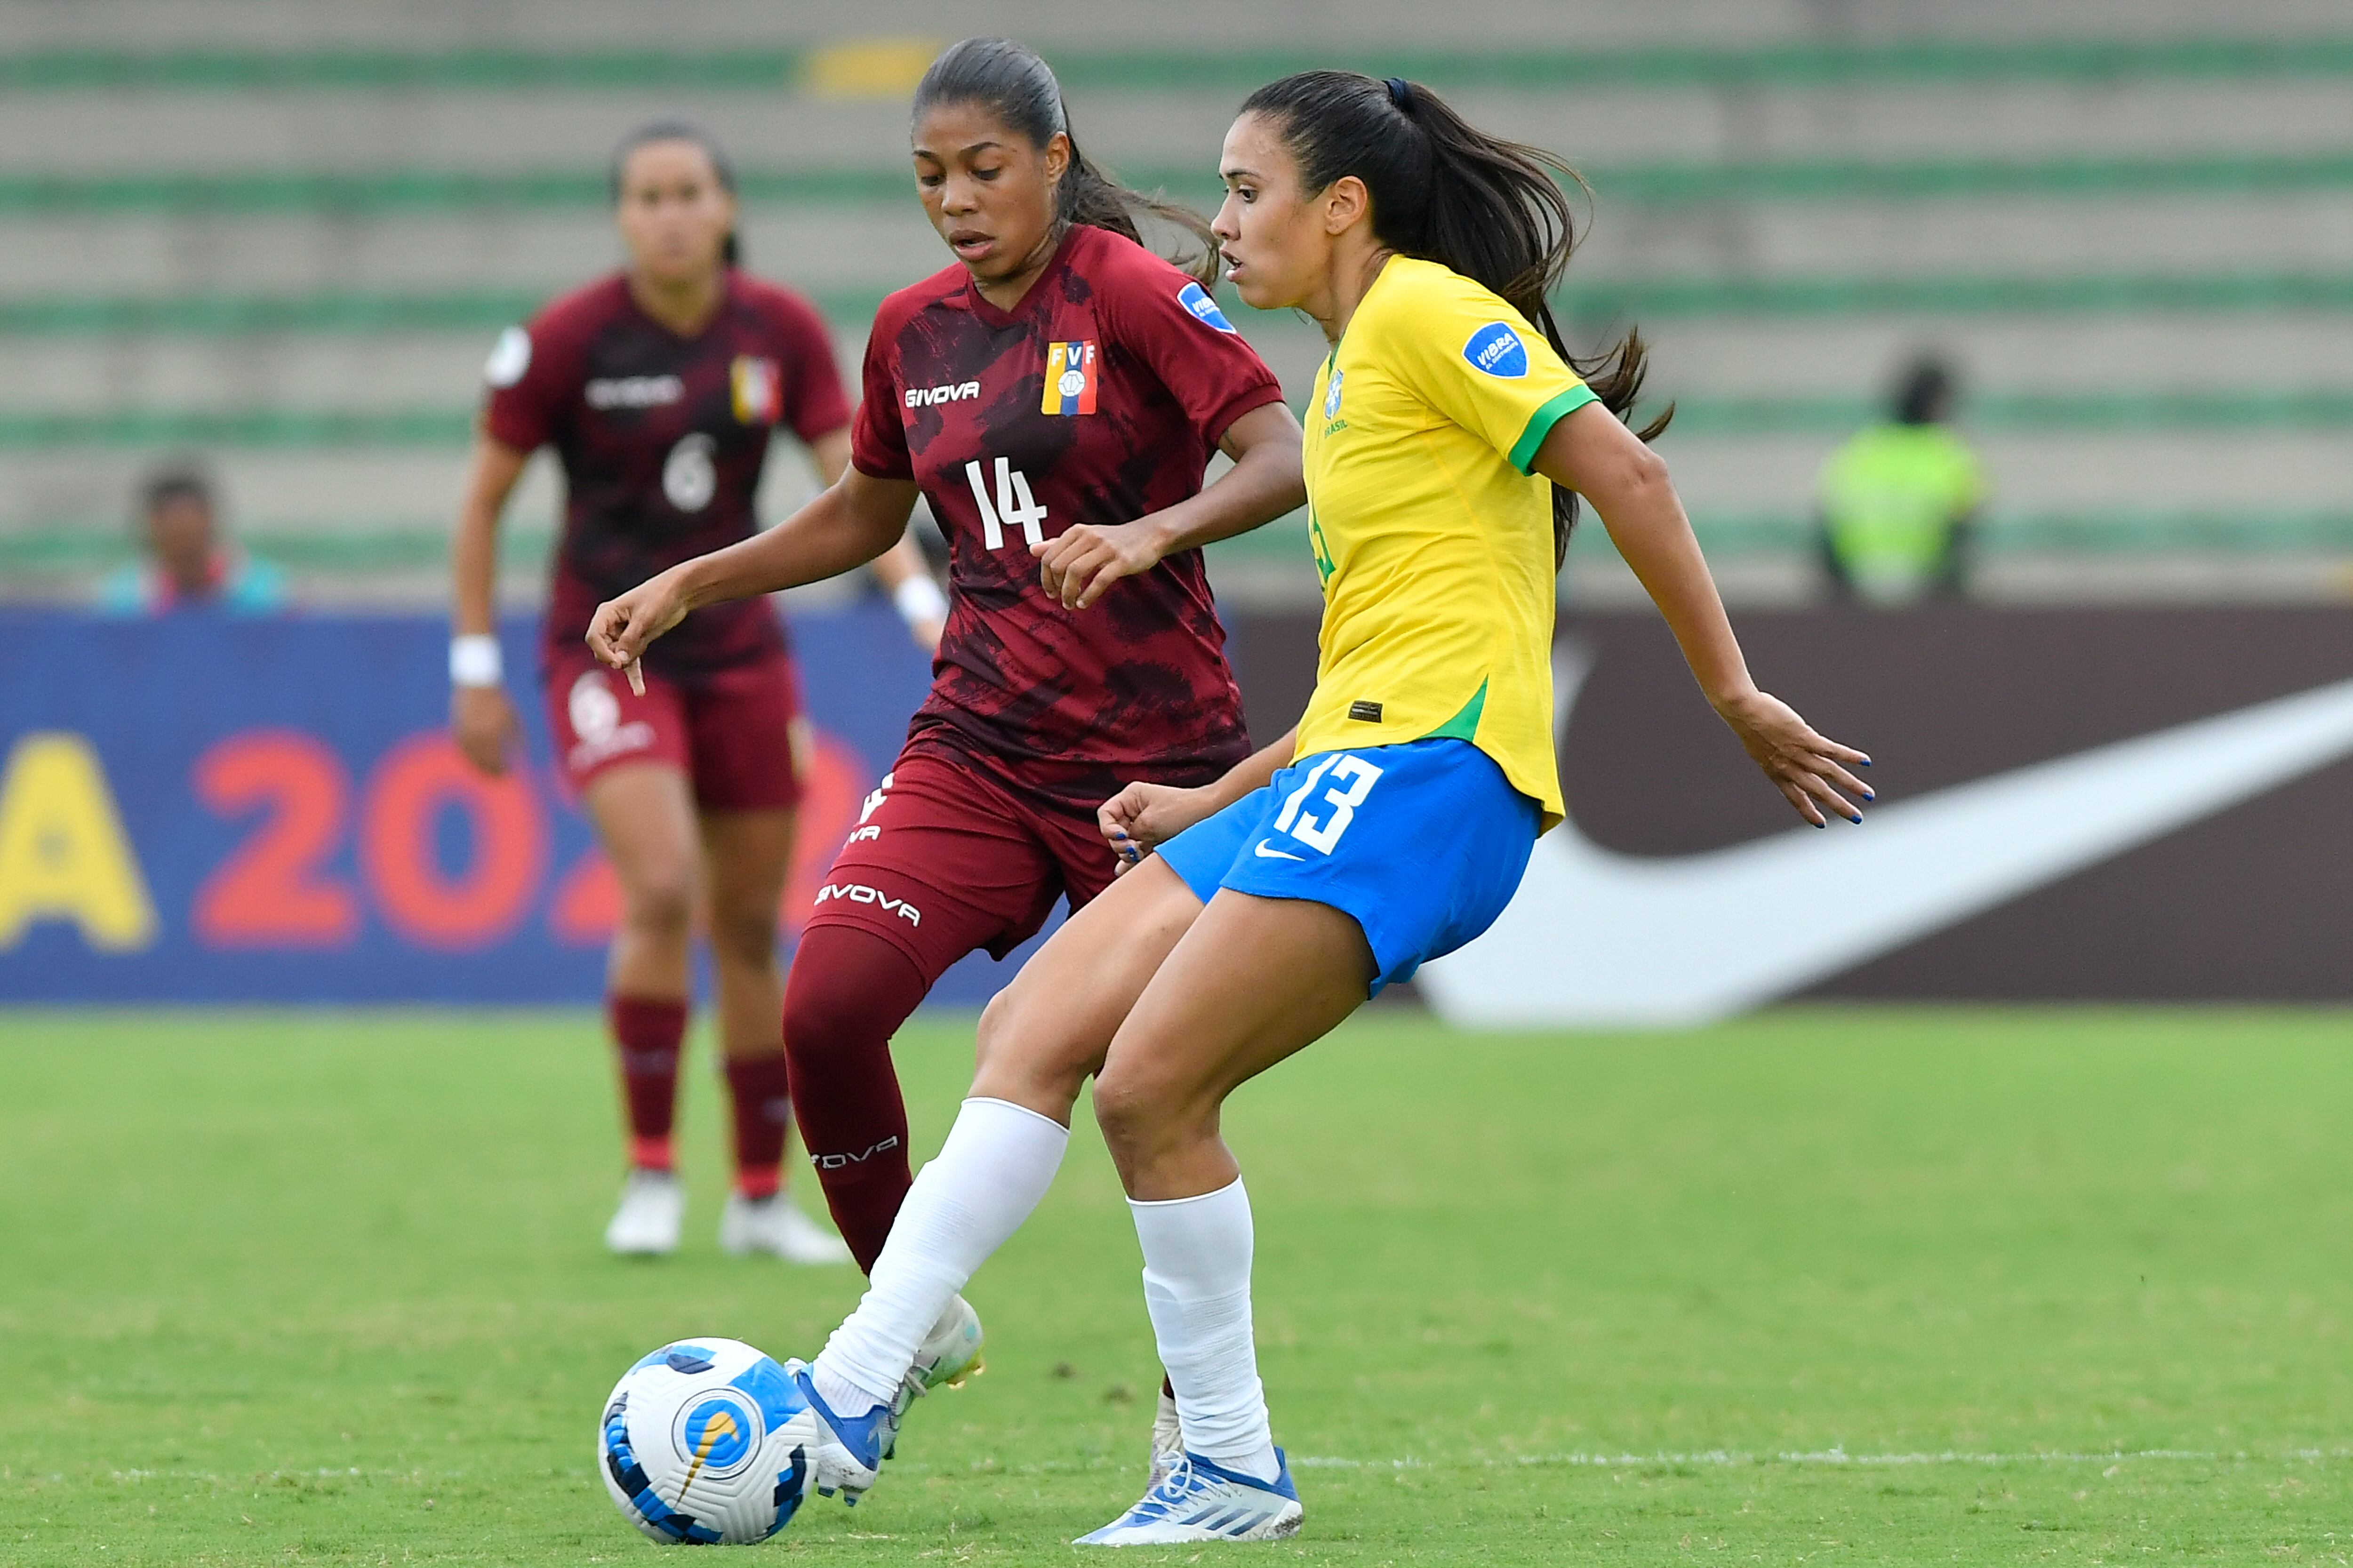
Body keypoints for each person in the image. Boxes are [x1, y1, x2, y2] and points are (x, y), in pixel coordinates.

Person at [617, 71, 1876, 1545]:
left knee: (1150, 1088)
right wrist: (1213, 794)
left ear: (1340, 205)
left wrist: (1734, 694)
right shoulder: (1346, 377)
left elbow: (1627, 468)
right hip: (1348, 762)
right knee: (1032, 1027)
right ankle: (863, 1385)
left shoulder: (1426, 314)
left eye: (1244, 190)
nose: (1218, 223)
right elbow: (1369, 673)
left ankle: (1205, 1460)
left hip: (1436, 780)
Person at [584, 37, 1306, 1414]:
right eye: (928, 177)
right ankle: (905, 1327)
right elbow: (865, 511)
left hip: (1156, 769)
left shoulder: (1130, 291)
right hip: (978, 745)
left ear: (1052, 160)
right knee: (823, 1011)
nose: (956, 201)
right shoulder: (910, 330)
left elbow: (1280, 454)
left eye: (983, 170)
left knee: (1152, 1091)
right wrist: (691, 579)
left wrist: (1153, 530)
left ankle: (1200, 1428)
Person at [448, 118, 947, 1263]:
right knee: (664, 886)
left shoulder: (779, 331)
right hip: (607, 648)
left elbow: (855, 487)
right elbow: (481, 503)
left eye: (688, 194)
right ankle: (652, 1174)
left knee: (750, 925)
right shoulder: (566, 341)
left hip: (739, 653)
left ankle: (760, 1197)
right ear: (621, 217)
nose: (669, 215)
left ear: (725, 209)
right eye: (648, 197)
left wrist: (921, 602)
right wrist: (473, 667)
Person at [1816, 356, 1985, 605]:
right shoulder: (1952, 455)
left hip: (1859, 597)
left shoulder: (1858, 451)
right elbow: (1963, 540)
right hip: (1930, 599)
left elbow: (1827, 537)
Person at [96, 461, 289, 616]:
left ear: (210, 520)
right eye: (175, 527)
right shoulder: (124, 600)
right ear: (152, 526)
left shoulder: (267, 594)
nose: (185, 540)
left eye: (190, 526)